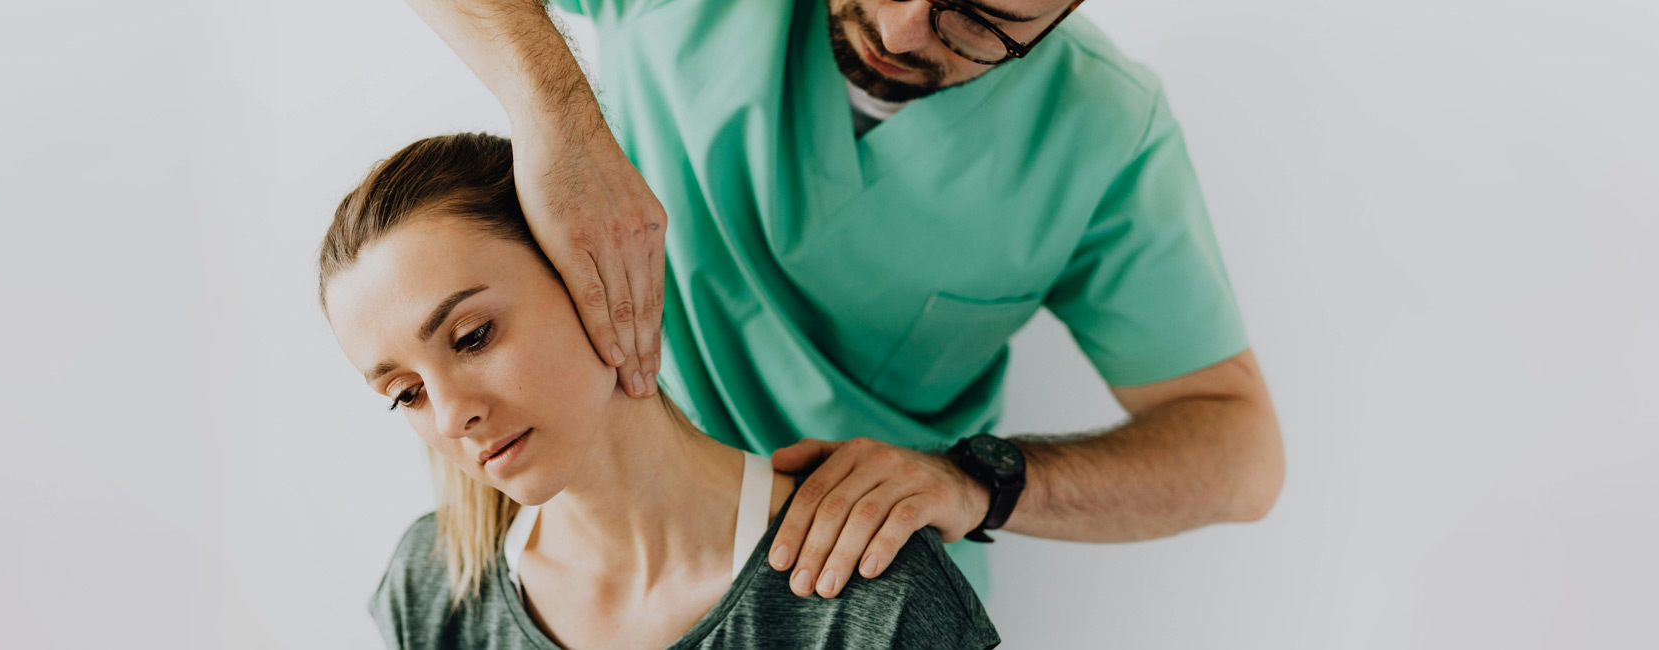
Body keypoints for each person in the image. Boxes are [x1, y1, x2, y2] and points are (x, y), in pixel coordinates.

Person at [400, 0, 1286, 601]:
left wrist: (975, 482)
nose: (902, 29)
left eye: (979, 17)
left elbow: (1240, 456)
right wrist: (558, 118)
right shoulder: (453, 587)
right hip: (590, 543)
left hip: (843, 589)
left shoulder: (1104, 131)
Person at [324, 133, 1000, 649]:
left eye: (473, 336)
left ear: (602, 276)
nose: (452, 415)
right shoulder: (435, 583)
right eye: (405, 392)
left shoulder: (867, 590)